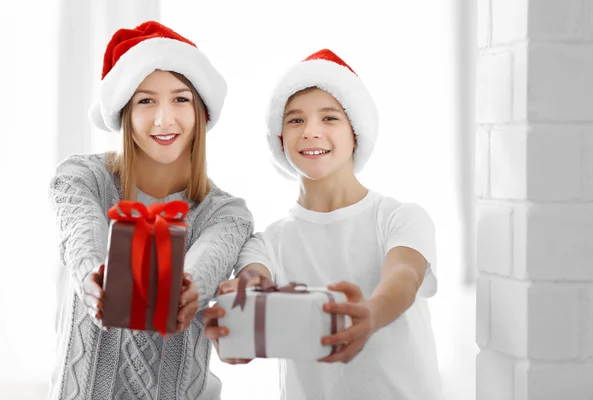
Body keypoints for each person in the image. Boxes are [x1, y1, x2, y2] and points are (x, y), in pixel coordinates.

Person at [203, 49, 444, 400]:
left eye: (329, 118)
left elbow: (404, 278)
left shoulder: (400, 217)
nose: (311, 132)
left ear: (355, 133)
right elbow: (253, 282)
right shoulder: (267, 243)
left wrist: (371, 313)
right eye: (296, 120)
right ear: (280, 139)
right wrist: (239, 320)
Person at [47, 21, 253, 400]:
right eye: (145, 100)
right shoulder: (80, 178)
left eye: (180, 99)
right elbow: (81, 233)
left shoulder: (226, 213)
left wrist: (187, 288)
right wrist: (93, 274)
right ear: (124, 110)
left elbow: (207, 260)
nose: (164, 119)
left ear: (201, 112)